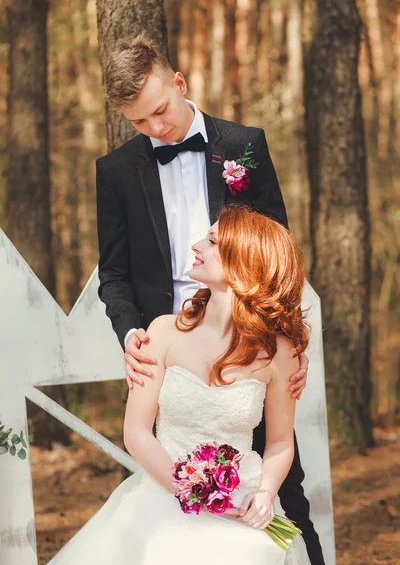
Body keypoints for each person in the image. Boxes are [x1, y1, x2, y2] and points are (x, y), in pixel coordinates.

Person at [96, 36, 324, 565]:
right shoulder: (115, 171)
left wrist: (288, 342)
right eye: (139, 123)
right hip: (167, 353)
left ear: (179, 84)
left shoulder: (244, 144)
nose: (156, 129)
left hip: (248, 342)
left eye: (160, 111)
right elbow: (115, 276)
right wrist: (135, 338)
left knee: (288, 499)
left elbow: (277, 252)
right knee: (163, 512)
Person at [52, 206, 312, 565]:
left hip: (242, 500)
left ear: (244, 261)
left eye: (211, 241)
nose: (196, 246)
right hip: (161, 496)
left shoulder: (280, 354)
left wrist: (266, 493)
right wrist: (188, 490)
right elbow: (137, 432)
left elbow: (281, 440)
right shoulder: (162, 332)